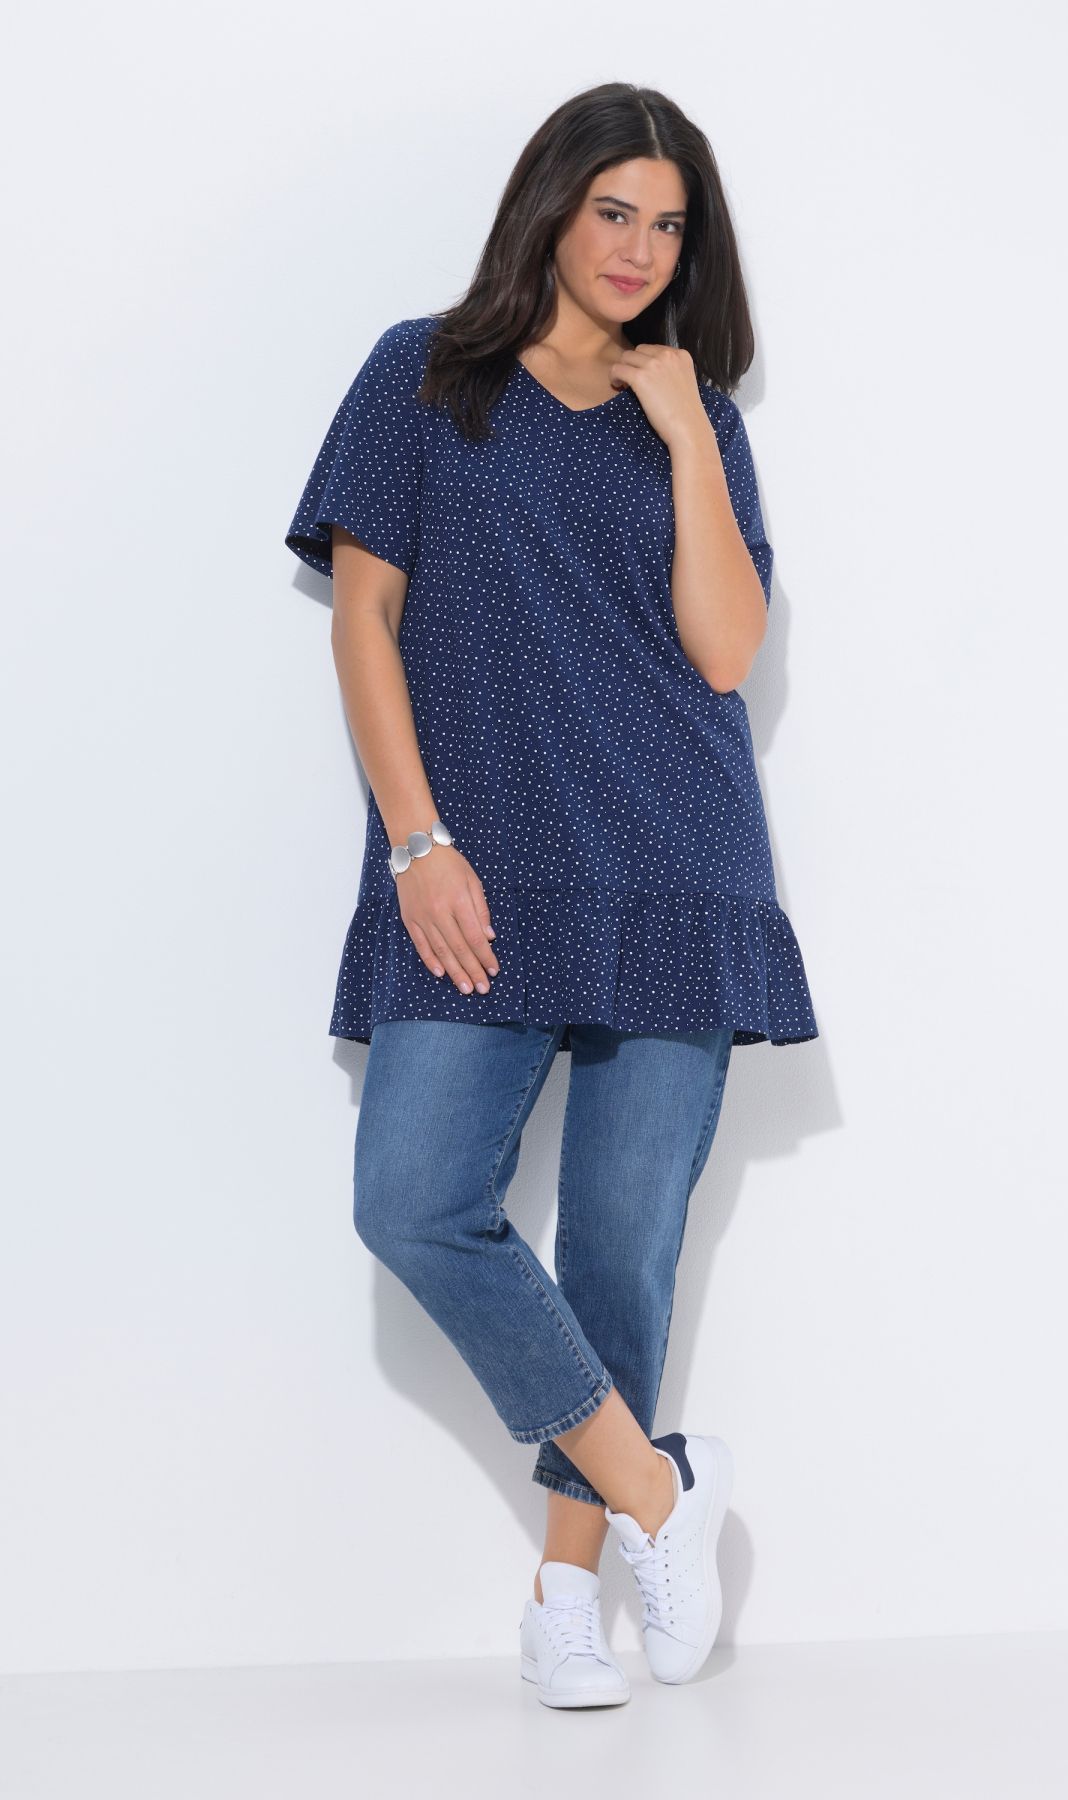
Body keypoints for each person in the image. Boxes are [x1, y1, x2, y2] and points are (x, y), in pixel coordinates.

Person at [284, 80, 819, 1707]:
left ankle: (565, 1595)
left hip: (673, 862)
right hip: (483, 864)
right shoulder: (424, 373)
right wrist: (417, 843)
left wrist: (686, 434)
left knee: (620, 1254)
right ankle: (661, 1490)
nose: (640, 249)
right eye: (614, 212)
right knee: (413, 1200)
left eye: (670, 226)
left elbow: (724, 652)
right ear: (553, 205)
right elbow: (363, 619)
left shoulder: (695, 417)